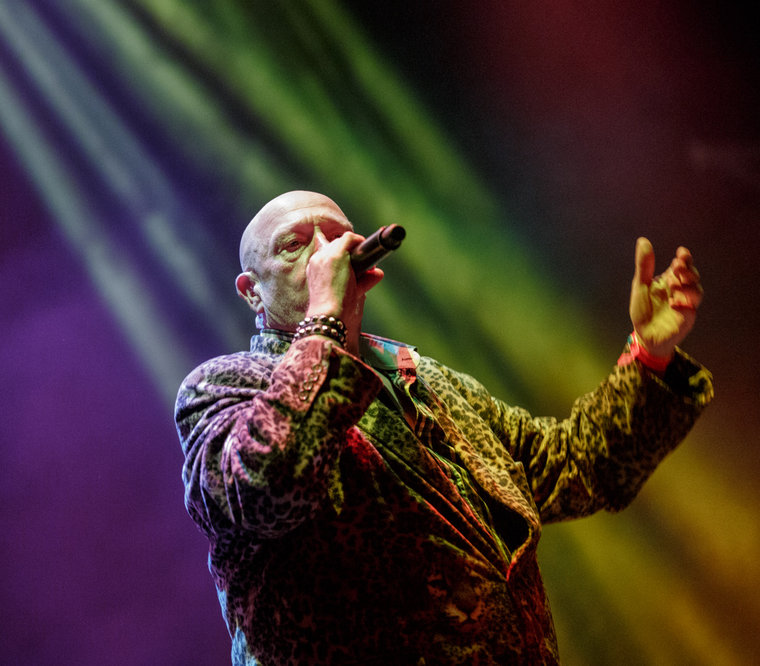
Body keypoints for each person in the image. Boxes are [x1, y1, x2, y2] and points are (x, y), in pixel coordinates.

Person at [174, 191, 712, 665]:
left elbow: (571, 466)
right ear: (252, 292)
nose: (324, 251)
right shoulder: (223, 387)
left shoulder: (427, 379)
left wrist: (649, 355)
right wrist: (324, 321)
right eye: (295, 244)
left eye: (337, 236)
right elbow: (264, 489)